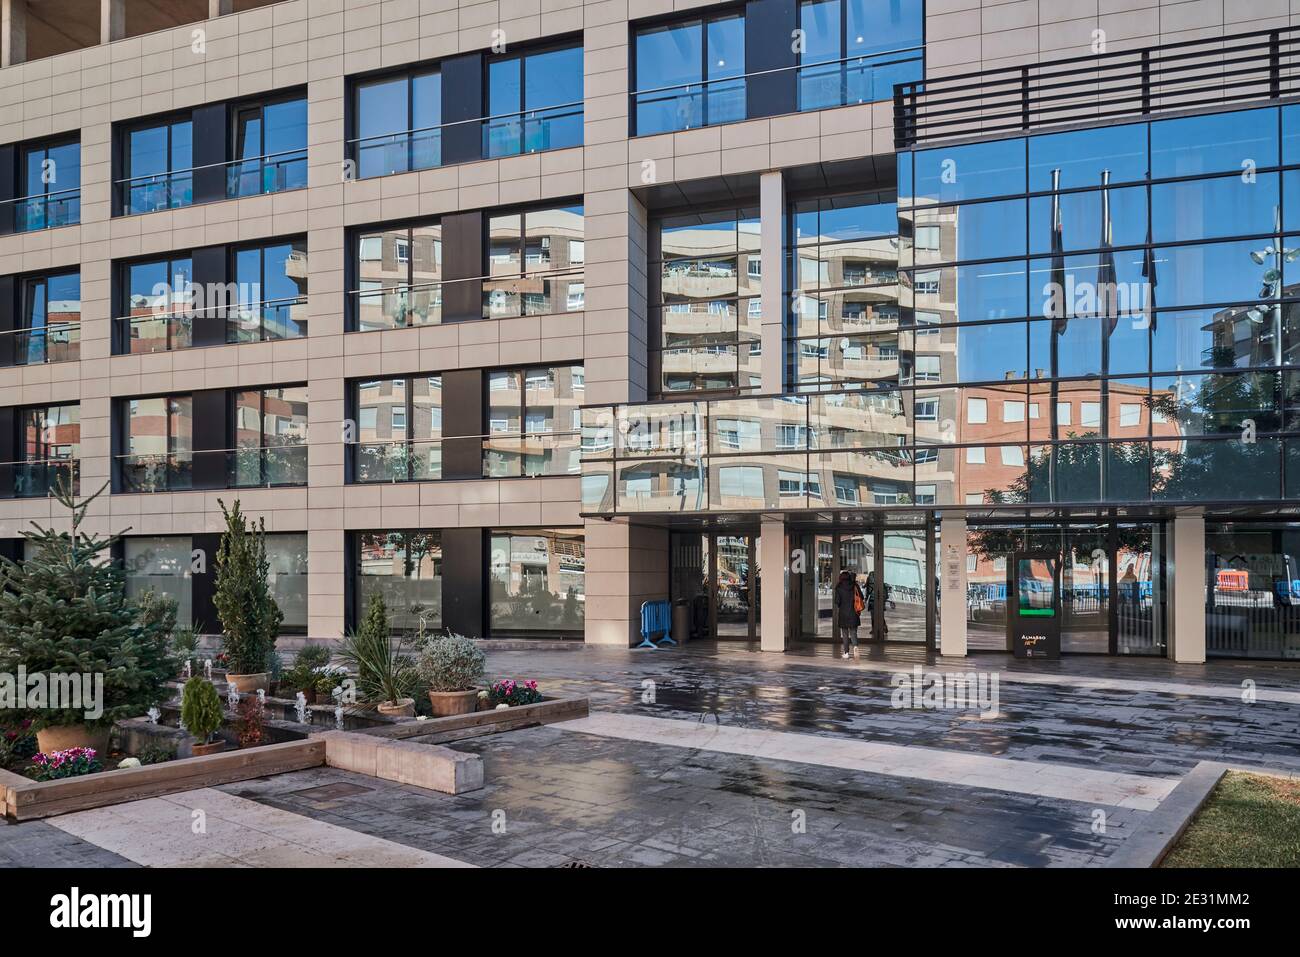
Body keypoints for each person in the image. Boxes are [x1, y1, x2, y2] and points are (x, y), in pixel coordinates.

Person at [833, 570, 865, 659]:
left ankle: (846, 653)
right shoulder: (855, 586)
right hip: (853, 612)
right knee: (853, 632)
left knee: (845, 634)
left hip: (843, 613)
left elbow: (837, 602)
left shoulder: (839, 587)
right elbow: (861, 597)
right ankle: (855, 647)